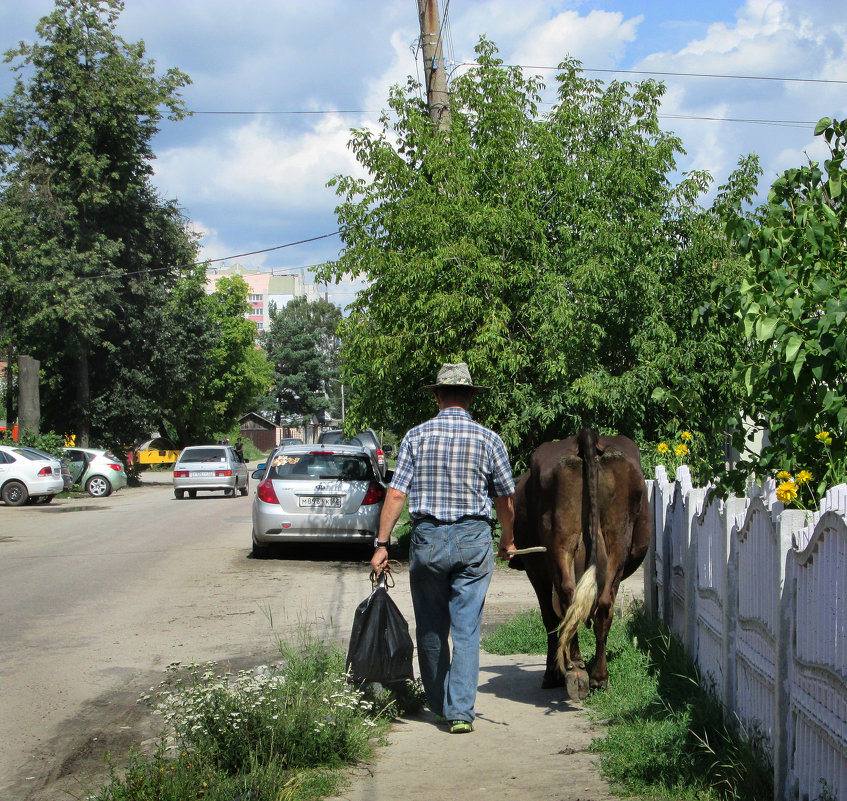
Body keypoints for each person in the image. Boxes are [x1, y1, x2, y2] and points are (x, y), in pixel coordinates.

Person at [371, 362, 516, 734]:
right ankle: (460, 714)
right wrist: (508, 539)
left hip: (428, 540)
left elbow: (397, 493)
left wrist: (382, 544)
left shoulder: (416, 437)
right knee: (467, 631)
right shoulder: (490, 439)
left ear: (436, 396)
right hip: (473, 540)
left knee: (432, 628)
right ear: (469, 398)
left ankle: (438, 705)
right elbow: (504, 500)